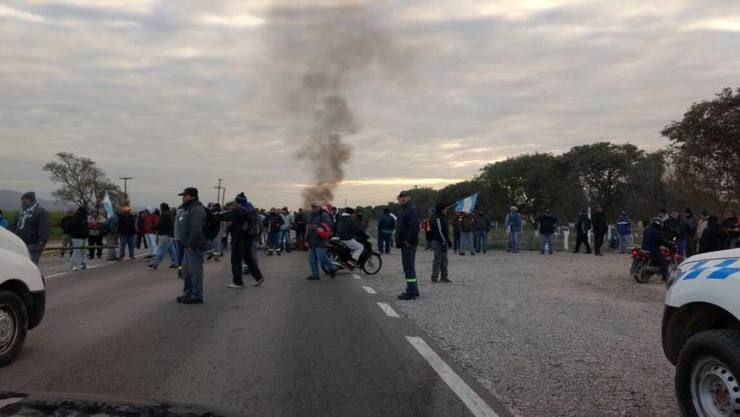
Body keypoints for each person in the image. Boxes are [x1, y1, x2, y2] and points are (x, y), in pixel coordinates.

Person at [218, 193, 265, 288]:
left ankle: (238, 282)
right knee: (248, 259)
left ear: (238, 201)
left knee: (236, 260)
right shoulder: (250, 209)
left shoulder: (239, 210)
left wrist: (213, 215)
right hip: (249, 238)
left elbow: (226, 216)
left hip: (239, 239)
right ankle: (258, 277)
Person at [176, 187, 208, 304]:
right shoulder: (188, 209)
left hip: (195, 246)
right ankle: (188, 293)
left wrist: (191, 244)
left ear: (192, 196)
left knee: (195, 271)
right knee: (186, 271)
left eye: (185, 195)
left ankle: (196, 295)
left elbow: (196, 229)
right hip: (188, 245)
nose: (183, 198)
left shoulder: (197, 209)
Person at [11, 192, 50, 265]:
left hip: (33, 244)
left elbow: (44, 228)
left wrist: (41, 243)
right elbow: (14, 226)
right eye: (22, 200)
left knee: (30, 265)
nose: (22, 202)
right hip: (20, 243)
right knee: (20, 265)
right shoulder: (20, 212)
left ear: (30, 200)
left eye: (24, 200)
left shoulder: (41, 212)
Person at [396, 190, 420, 300]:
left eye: (405, 197)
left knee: (408, 267)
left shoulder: (410, 209)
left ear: (409, 197)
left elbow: (415, 226)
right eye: (401, 197)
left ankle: (410, 292)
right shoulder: (404, 209)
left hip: (408, 244)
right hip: (404, 244)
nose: (402, 198)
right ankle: (414, 289)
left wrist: (409, 241)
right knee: (409, 267)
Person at [306, 201, 336, 280]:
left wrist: (319, 227)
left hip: (320, 240)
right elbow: (308, 228)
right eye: (312, 206)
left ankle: (332, 267)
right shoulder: (310, 215)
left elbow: (329, 225)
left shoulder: (323, 215)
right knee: (312, 260)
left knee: (321, 257)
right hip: (312, 240)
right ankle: (315, 275)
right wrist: (306, 239)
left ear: (319, 207)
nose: (313, 208)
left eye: (315, 206)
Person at [146, 203, 179, 270]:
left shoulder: (165, 215)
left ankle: (155, 264)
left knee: (161, 250)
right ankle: (175, 263)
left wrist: (153, 227)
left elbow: (160, 224)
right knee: (171, 250)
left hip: (166, 234)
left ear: (162, 208)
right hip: (169, 234)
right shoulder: (169, 214)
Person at [430, 202, 451, 283]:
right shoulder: (437, 218)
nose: (446, 210)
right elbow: (439, 231)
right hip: (438, 242)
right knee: (437, 260)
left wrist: (448, 240)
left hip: (443, 241)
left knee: (444, 260)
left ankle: (444, 277)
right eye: (445, 209)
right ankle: (434, 277)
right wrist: (443, 242)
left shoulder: (444, 217)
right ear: (442, 209)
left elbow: (445, 231)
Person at [68, 206, 89, 271]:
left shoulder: (85, 217)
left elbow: (86, 226)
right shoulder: (76, 217)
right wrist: (75, 232)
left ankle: (84, 263)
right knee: (76, 251)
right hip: (77, 236)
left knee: (84, 251)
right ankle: (74, 265)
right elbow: (70, 226)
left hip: (84, 236)